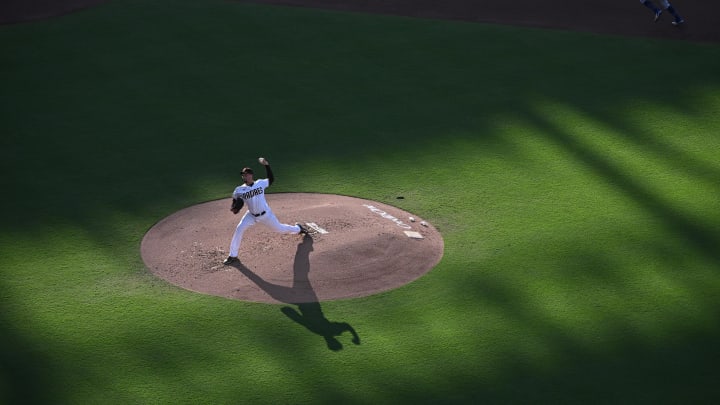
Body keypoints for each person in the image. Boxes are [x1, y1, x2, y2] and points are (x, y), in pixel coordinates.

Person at [223, 157, 308, 265]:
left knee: (280, 229)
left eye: (246, 174)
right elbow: (235, 201)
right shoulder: (239, 190)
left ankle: (298, 228)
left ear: (251, 175)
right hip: (251, 215)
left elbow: (271, 179)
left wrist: (266, 165)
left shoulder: (260, 183)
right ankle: (233, 255)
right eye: (243, 174)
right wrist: (234, 208)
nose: (244, 176)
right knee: (239, 228)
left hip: (266, 214)